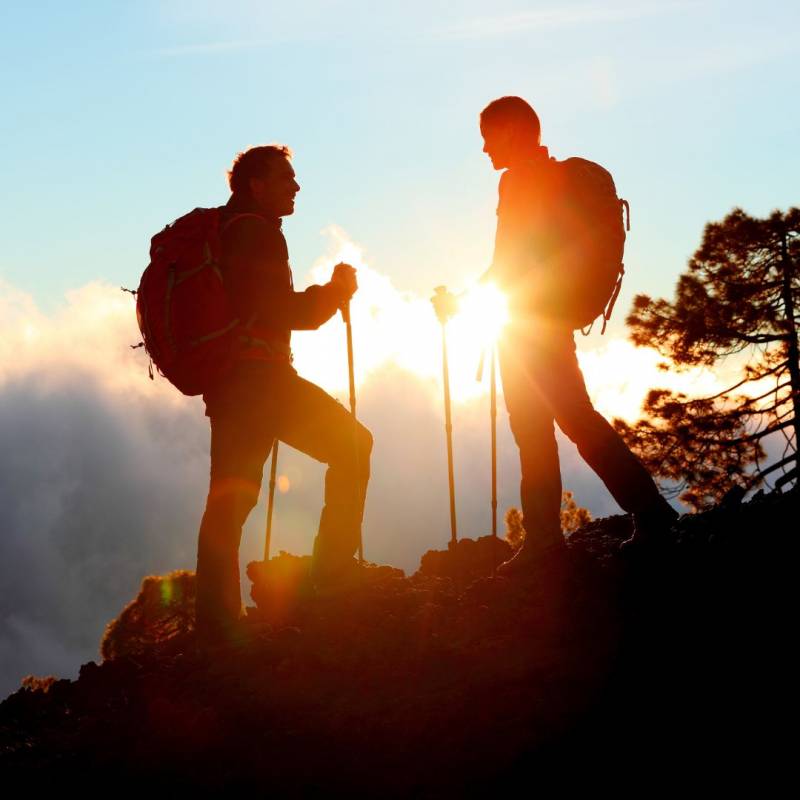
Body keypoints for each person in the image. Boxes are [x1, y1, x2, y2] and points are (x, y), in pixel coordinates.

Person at [477, 96, 677, 573]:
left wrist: (473, 298)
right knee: (568, 421)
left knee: (549, 426)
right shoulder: (547, 179)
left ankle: (574, 533)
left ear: (512, 131)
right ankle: (621, 519)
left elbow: (509, 260)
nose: (484, 149)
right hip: (545, 320)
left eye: (488, 137)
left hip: (528, 325)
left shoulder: (519, 182)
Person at [195, 144, 373, 645]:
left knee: (228, 501)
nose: (295, 187)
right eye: (285, 178)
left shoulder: (229, 231)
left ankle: (216, 625)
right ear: (256, 184)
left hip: (230, 386)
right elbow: (281, 311)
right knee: (353, 447)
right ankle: (333, 578)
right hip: (262, 382)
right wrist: (336, 292)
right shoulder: (255, 233)